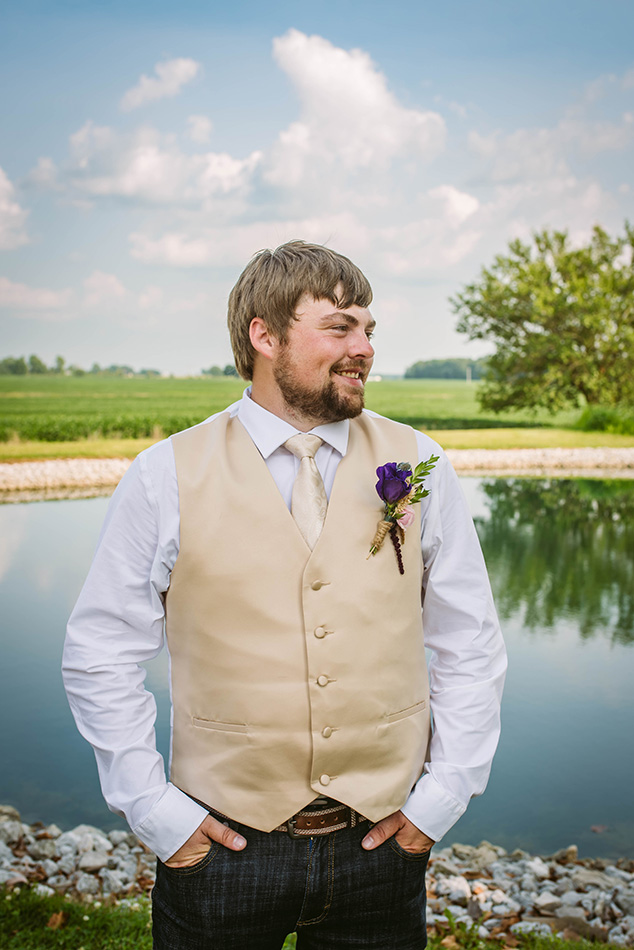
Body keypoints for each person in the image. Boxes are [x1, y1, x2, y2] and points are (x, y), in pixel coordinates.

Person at [63, 240, 507, 950]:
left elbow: (469, 641)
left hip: (382, 847)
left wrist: (444, 797)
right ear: (263, 336)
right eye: (339, 327)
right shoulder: (163, 475)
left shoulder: (418, 463)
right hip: (221, 849)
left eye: (368, 328)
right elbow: (100, 652)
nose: (364, 347)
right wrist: (155, 813)